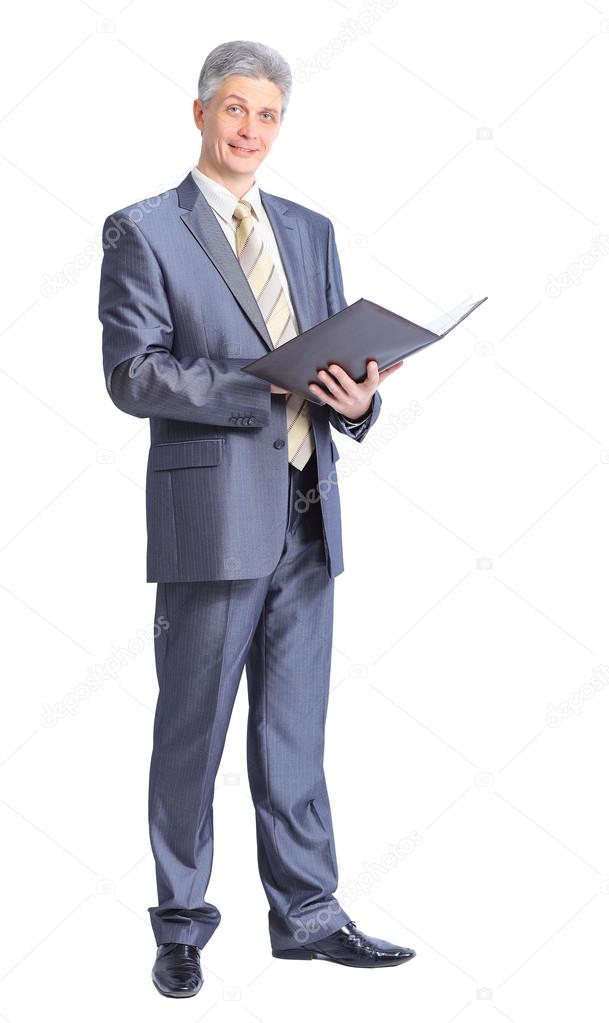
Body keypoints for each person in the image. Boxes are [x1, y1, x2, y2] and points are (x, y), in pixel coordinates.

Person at [98, 39, 413, 999]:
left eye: (268, 115)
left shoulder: (310, 230)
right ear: (200, 114)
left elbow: (331, 365)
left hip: (308, 512)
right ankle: (182, 924)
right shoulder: (144, 230)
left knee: (293, 732)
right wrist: (256, 381)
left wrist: (358, 403)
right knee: (190, 729)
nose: (251, 131)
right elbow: (133, 372)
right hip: (212, 518)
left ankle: (307, 913)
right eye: (235, 110)